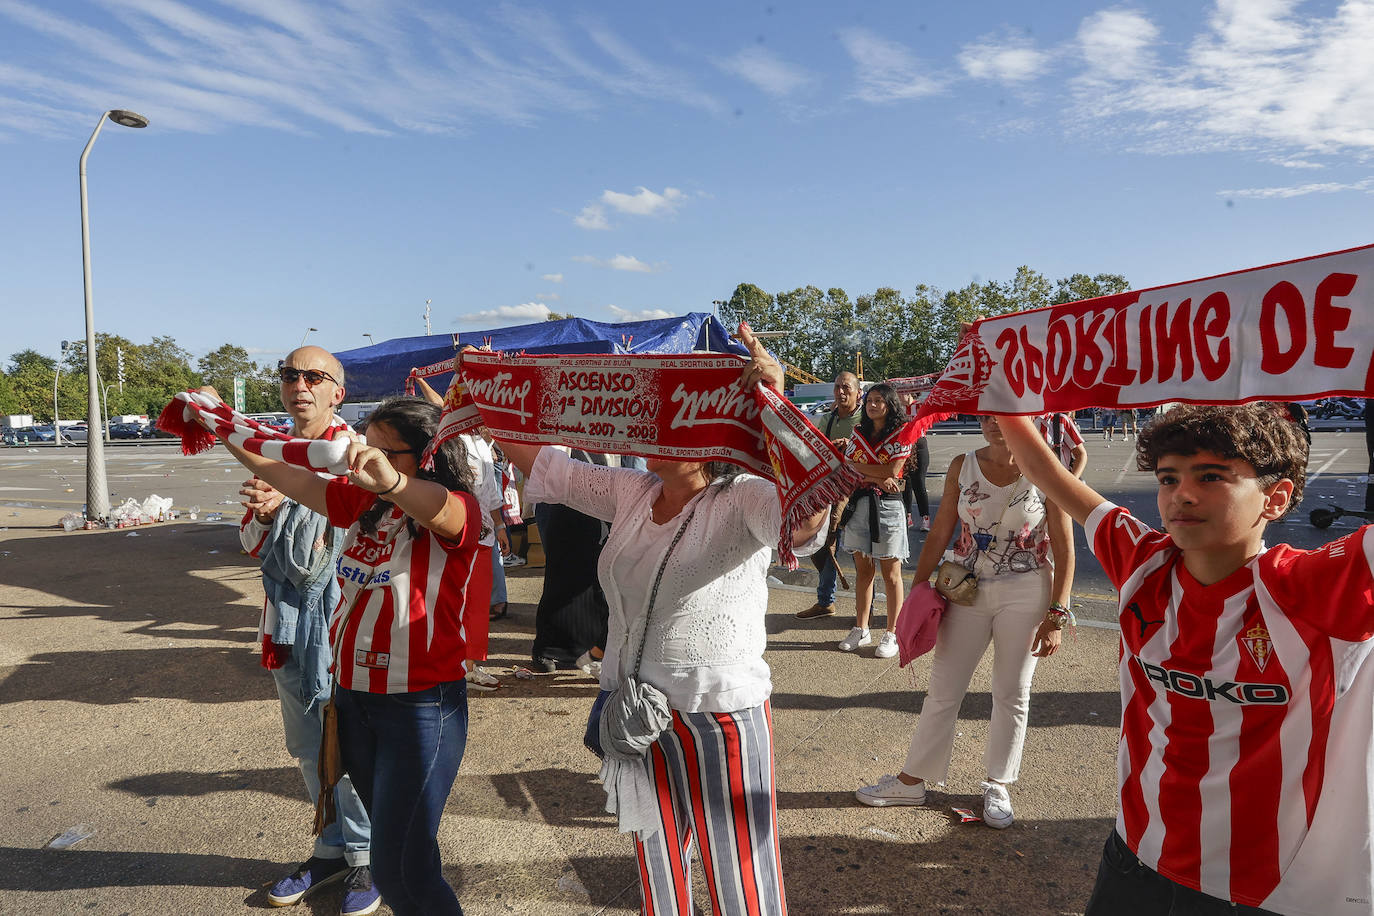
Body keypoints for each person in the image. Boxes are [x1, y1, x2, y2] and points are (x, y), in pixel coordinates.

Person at [496, 325, 829, 915]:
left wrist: (779, 411)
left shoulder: (744, 497)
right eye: (655, 419)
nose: (657, 432)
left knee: (739, 862)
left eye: (679, 419)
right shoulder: (632, 490)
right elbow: (549, 467)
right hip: (636, 706)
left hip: (718, 711)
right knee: (656, 849)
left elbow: (802, 521)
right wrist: (490, 394)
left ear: (716, 431)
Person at [996, 404, 1374, 916]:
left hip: (1261, 888)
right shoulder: (1143, 564)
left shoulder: (1317, 586)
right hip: (1135, 853)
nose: (1182, 495)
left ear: (1277, 497)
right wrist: (998, 394)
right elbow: (1046, 470)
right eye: (1168, 478)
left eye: (1212, 476)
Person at [214, 395, 486, 916]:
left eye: (385, 450)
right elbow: (284, 472)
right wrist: (220, 426)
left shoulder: (454, 510)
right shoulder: (364, 505)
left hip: (420, 707)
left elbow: (444, 513)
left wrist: (393, 482)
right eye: (365, 445)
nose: (365, 458)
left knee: (402, 867)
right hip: (355, 699)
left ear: (426, 456)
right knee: (397, 850)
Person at [857, 414, 1073, 827]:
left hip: (1027, 590)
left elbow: (1064, 546)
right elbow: (940, 531)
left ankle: (998, 784)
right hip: (964, 587)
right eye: (987, 418)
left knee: (1012, 691)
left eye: (1007, 418)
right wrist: (917, 591)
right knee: (943, 688)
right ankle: (911, 780)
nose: (995, 425)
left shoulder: (1046, 467)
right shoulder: (963, 465)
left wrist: (1058, 614)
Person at [237, 347, 378, 916]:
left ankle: (370, 856)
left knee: (349, 741)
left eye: (314, 376)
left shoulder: (354, 454)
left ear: (336, 392)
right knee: (305, 745)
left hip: (346, 621)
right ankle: (330, 848)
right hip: (288, 622)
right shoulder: (273, 453)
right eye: (290, 375)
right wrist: (269, 515)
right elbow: (250, 546)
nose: (300, 385)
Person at [837, 383, 911, 658]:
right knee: (863, 571)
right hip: (859, 505)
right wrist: (878, 476)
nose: (872, 405)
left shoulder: (903, 434)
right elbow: (847, 468)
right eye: (869, 400)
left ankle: (893, 632)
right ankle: (861, 627)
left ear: (890, 404)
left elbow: (894, 469)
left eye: (879, 400)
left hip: (889, 508)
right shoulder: (858, 433)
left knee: (891, 573)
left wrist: (863, 470)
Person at [797, 372, 864, 619]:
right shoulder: (826, 419)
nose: (840, 392)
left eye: (846, 387)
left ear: (858, 393)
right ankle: (825, 601)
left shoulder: (866, 420)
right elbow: (810, 450)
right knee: (822, 547)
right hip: (830, 492)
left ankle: (864, 611)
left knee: (862, 554)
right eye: (837, 387)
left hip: (859, 494)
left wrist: (852, 447)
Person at [901, 393, 931, 532]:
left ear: (909, 393)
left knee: (919, 482)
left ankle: (925, 518)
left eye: (901, 393)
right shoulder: (898, 408)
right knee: (904, 482)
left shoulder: (920, 405)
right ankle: (907, 516)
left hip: (919, 444)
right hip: (903, 445)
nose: (899, 396)